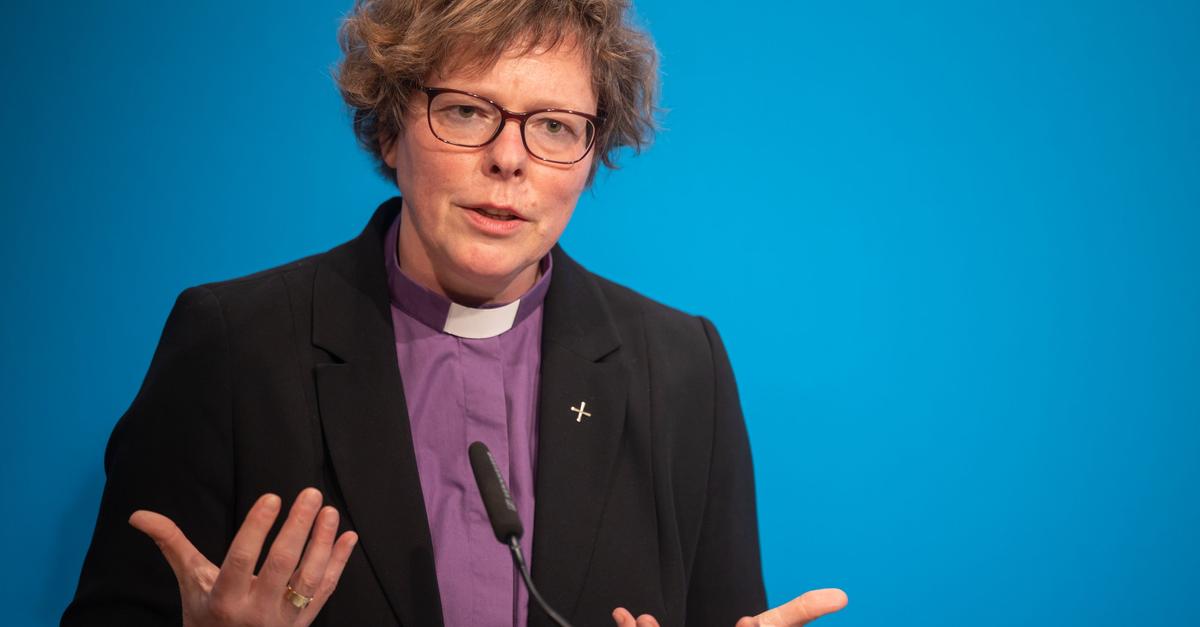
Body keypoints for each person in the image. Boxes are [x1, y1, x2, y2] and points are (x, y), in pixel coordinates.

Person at [62, 1, 847, 625]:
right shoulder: (235, 347)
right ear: (390, 127)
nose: (510, 159)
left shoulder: (682, 368)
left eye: (554, 126)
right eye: (469, 111)